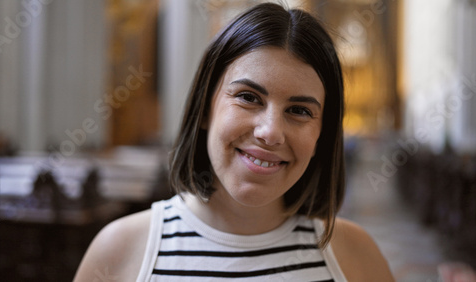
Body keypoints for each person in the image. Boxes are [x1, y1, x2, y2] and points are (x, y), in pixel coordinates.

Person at [74, 3, 394, 281]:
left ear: (322, 134)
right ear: (204, 109)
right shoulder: (120, 250)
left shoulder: (356, 256)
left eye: (299, 110)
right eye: (248, 97)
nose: (270, 132)